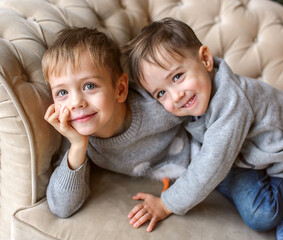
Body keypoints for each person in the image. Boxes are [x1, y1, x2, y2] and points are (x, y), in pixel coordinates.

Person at [122, 17, 283, 239]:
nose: (176, 96)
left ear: (205, 59)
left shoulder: (232, 103)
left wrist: (166, 204)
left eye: (177, 77)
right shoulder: (198, 101)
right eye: (161, 93)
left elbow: (211, 165)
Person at [42, 27, 192, 232]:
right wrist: (78, 146)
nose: (76, 102)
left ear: (120, 89)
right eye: (62, 92)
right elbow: (62, 207)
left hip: (209, 159)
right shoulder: (76, 134)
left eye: (89, 86)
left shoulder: (156, 106)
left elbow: (205, 106)